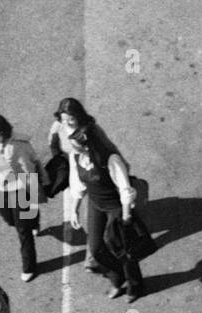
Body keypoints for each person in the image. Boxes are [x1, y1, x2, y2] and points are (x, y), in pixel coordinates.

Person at [68, 124, 144, 301]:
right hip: (96, 204)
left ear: (88, 146)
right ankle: (118, 276)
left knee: (123, 249)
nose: (74, 150)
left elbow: (125, 189)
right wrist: (74, 209)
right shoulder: (76, 156)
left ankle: (135, 285)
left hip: (115, 206)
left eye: (77, 147)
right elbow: (77, 184)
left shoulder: (109, 159)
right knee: (96, 249)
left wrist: (126, 216)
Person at [48, 97, 119, 273]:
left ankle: (92, 258)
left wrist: (119, 167)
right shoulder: (59, 126)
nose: (67, 123)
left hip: (94, 171)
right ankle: (94, 256)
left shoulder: (92, 131)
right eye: (64, 119)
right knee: (91, 214)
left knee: (97, 218)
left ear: (79, 116)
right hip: (75, 165)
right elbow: (52, 141)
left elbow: (110, 148)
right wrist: (59, 158)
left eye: (70, 119)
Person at [0, 114, 45, 282]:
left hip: (19, 188)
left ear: (3, 133)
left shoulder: (19, 145)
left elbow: (30, 167)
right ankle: (33, 218)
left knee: (23, 230)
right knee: (9, 219)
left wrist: (36, 190)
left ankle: (29, 267)